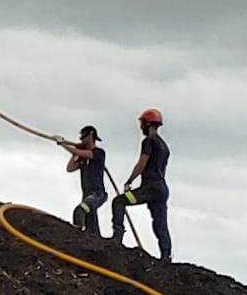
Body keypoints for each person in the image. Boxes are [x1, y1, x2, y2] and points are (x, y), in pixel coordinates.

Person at [110, 107, 171, 260]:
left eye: (142, 123)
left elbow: (142, 163)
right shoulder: (164, 146)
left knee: (119, 201)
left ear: (147, 123)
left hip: (149, 189)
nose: (140, 127)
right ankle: (166, 256)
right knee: (160, 225)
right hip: (161, 190)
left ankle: (117, 238)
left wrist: (130, 180)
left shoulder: (149, 141)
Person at [57, 125, 109, 236]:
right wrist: (75, 153)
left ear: (90, 136)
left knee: (80, 211)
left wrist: (63, 145)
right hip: (87, 195)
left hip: (97, 194)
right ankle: (97, 243)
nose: (81, 140)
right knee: (91, 227)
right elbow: (70, 168)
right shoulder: (82, 157)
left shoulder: (99, 153)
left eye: (83, 137)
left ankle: (77, 238)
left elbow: (86, 154)